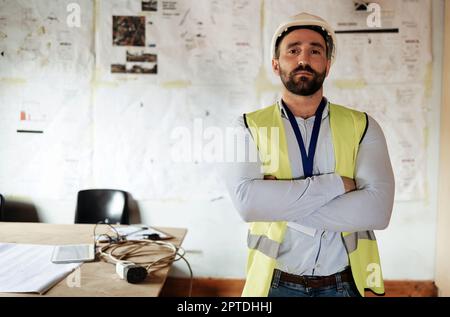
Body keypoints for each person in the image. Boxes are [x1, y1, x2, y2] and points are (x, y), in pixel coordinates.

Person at [224, 12, 395, 297]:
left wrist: (277, 201)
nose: (304, 59)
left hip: (343, 284)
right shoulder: (247, 126)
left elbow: (378, 212)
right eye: (293, 50)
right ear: (276, 64)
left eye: (315, 51)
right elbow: (247, 205)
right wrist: (337, 186)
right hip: (275, 284)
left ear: (327, 66)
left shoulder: (363, 125)